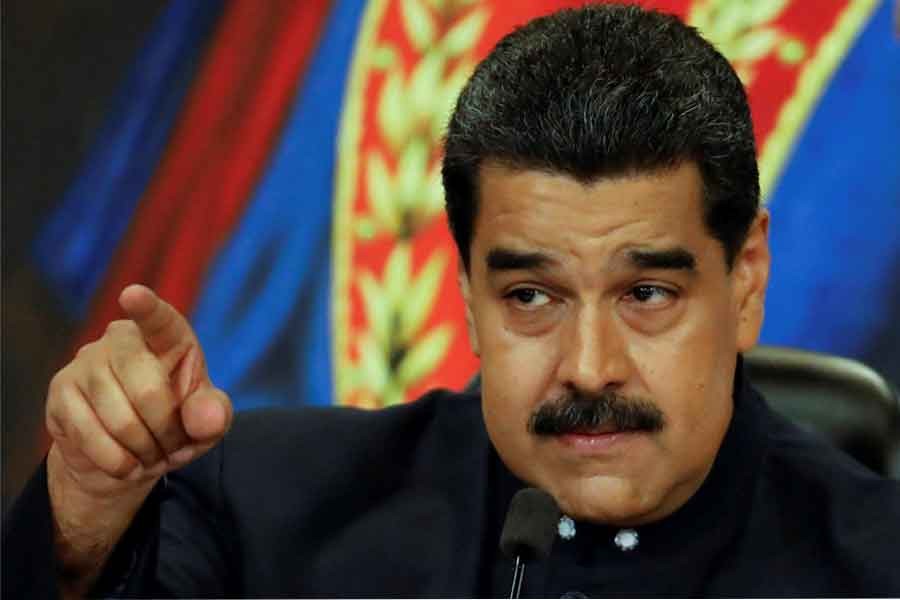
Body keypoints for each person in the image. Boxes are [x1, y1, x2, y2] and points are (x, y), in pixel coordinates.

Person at [4, 3, 900, 597]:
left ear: (745, 280)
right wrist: (83, 519)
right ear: (470, 297)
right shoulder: (266, 512)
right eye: (532, 296)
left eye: (648, 293)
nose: (589, 366)